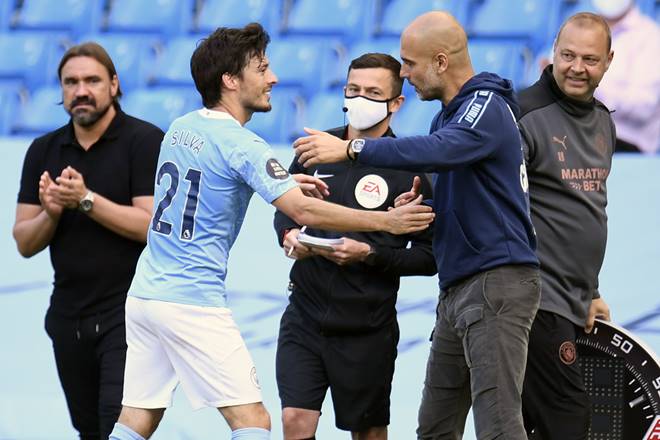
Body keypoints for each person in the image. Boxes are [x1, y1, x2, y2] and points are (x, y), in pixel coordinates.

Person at [108, 23, 434, 440]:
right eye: (262, 68)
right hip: (193, 302)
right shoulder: (245, 146)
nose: (273, 78)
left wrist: (279, 184)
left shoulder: (180, 127)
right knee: (255, 423)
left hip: (146, 295)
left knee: (137, 417)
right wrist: (386, 222)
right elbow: (295, 208)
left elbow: (215, 179)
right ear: (230, 80)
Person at [293, 11, 541, 440]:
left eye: (409, 63)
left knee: (498, 426)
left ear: (441, 62)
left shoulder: (484, 107)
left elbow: (443, 150)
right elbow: (467, 181)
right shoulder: (450, 116)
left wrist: (353, 149)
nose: (403, 74)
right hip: (460, 285)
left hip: (496, 281)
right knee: (434, 429)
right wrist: (426, 203)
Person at [273, 53, 437, 440]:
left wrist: (370, 254)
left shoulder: (410, 165)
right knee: (295, 420)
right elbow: (287, 208)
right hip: (304, 315)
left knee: (368, 432)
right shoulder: (314, 149)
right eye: (353, 90)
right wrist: (287, 235)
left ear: (396, 103)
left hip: (366, 326)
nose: (360, 99)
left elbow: (429, 257)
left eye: (373, 92)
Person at [12, 42, 163, 440]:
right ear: (61, 90)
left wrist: (85, 200)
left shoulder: (144, 141)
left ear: (114, 85)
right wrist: (53, 210)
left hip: (128, 314)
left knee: (119, 428)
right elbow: (24, 242)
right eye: (71, 82)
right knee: (89, 433)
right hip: (68, 316)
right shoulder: (43, 150)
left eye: (92, 80)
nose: (81, 90)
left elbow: (150, 227)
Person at [517, 12, 615, 439]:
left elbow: (590, 209)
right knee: (567, 417)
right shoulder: (521, 114)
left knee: (528, 423)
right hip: (536, 297)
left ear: (609, 60)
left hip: (574, 301)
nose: (578, 67)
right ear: (552, 54)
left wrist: (590, 292)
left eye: (590, 59)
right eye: (568, 55)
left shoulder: (604, 121)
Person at [591, 0, 660, 154]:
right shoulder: (579, 30)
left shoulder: (651, 37)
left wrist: (592, 87)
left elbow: (643, 106)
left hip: (626, 143)